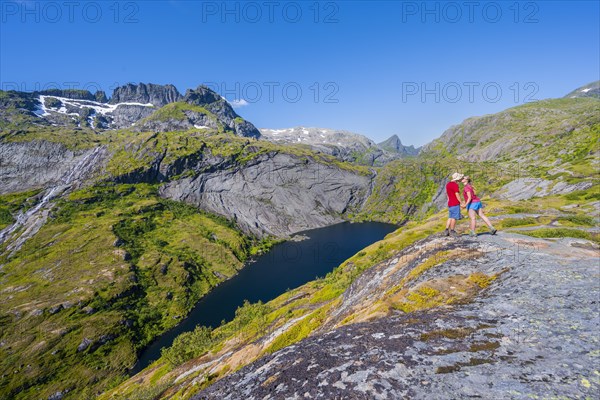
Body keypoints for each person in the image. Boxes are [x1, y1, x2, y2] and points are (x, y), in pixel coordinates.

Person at [445, 172, 464, 236]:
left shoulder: (448, 184)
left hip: (450, 203)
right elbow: (457, 194)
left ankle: (446, 230)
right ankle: (452, 231)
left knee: (450, 217)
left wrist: (448, 201)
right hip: (455, 203)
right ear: (457, 179)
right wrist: (461, 202)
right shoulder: (455, 185)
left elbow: (447, 194)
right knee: (454, 217)